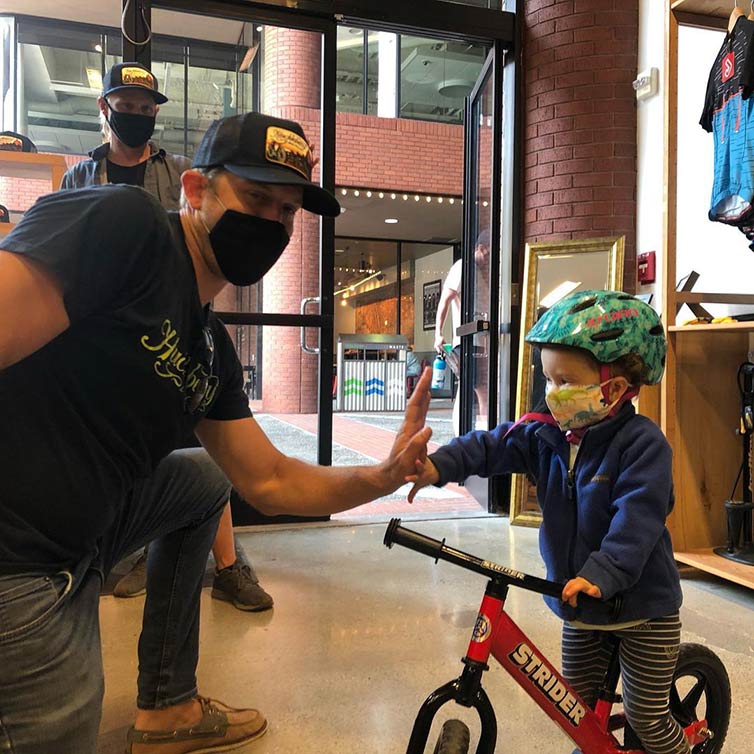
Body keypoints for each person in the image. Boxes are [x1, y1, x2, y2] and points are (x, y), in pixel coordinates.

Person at [0, 111, 433, 754]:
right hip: (19, 555)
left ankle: (168, 706)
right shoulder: (128, 228)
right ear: (195, 190)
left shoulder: (209, 350)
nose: (273, 226)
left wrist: (385, 477)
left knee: (204, 481)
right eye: (256, 199)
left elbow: (270, 478)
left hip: (83, 533)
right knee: (60, 728)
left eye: (288, 212)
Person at [409, 290, 689, 754]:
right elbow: (491, 445)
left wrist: (602, 574)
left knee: (649, 719)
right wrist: (439, 466)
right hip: (578, 606)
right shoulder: (545, 432)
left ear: (613, 389)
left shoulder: (643, 445)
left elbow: (638, 518)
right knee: (576, 714)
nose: (551, 393)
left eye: (564, 381)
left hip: (644, 611)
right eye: (548, 380)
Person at [60, 62, 272, 611]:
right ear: (106, 109)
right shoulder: (79, 177)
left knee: (203, 444)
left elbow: (206, 234)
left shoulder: (181, 171)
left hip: (176, 319)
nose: (136, 115)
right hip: (105, 331)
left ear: (156, 112)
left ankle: (229, 564)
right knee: (122, 443)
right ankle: (126, 550)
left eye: (145, 107)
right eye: (125, 106)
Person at [433, 229, 490, 434]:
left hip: (479, 340)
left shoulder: (480, 275)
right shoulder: (462, 267)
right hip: (467, 340)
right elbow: (445, 299)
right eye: (487, 254)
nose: (488, 259)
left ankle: (474, 434)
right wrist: (438, 333)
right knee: (478, 390)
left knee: (474, 389)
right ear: (480, 248)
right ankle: (476, 434)